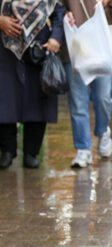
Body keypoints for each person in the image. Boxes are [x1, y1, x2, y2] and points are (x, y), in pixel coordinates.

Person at [0, 0, 65, 169]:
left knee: (37, 101)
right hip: (6, 49)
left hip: (38, 49)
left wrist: (55, 39)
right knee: (6, 99)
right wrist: (1, 20)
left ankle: (31, 152)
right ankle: (7, 150)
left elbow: (58, 14)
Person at [62, 0, 112, 168]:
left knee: (103, 97)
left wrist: (110, 1)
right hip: (76, 45)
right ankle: (83, 149)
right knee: (78, 102)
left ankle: (103, 131)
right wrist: (65, 14)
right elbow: (54, 6)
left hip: (102, 46)